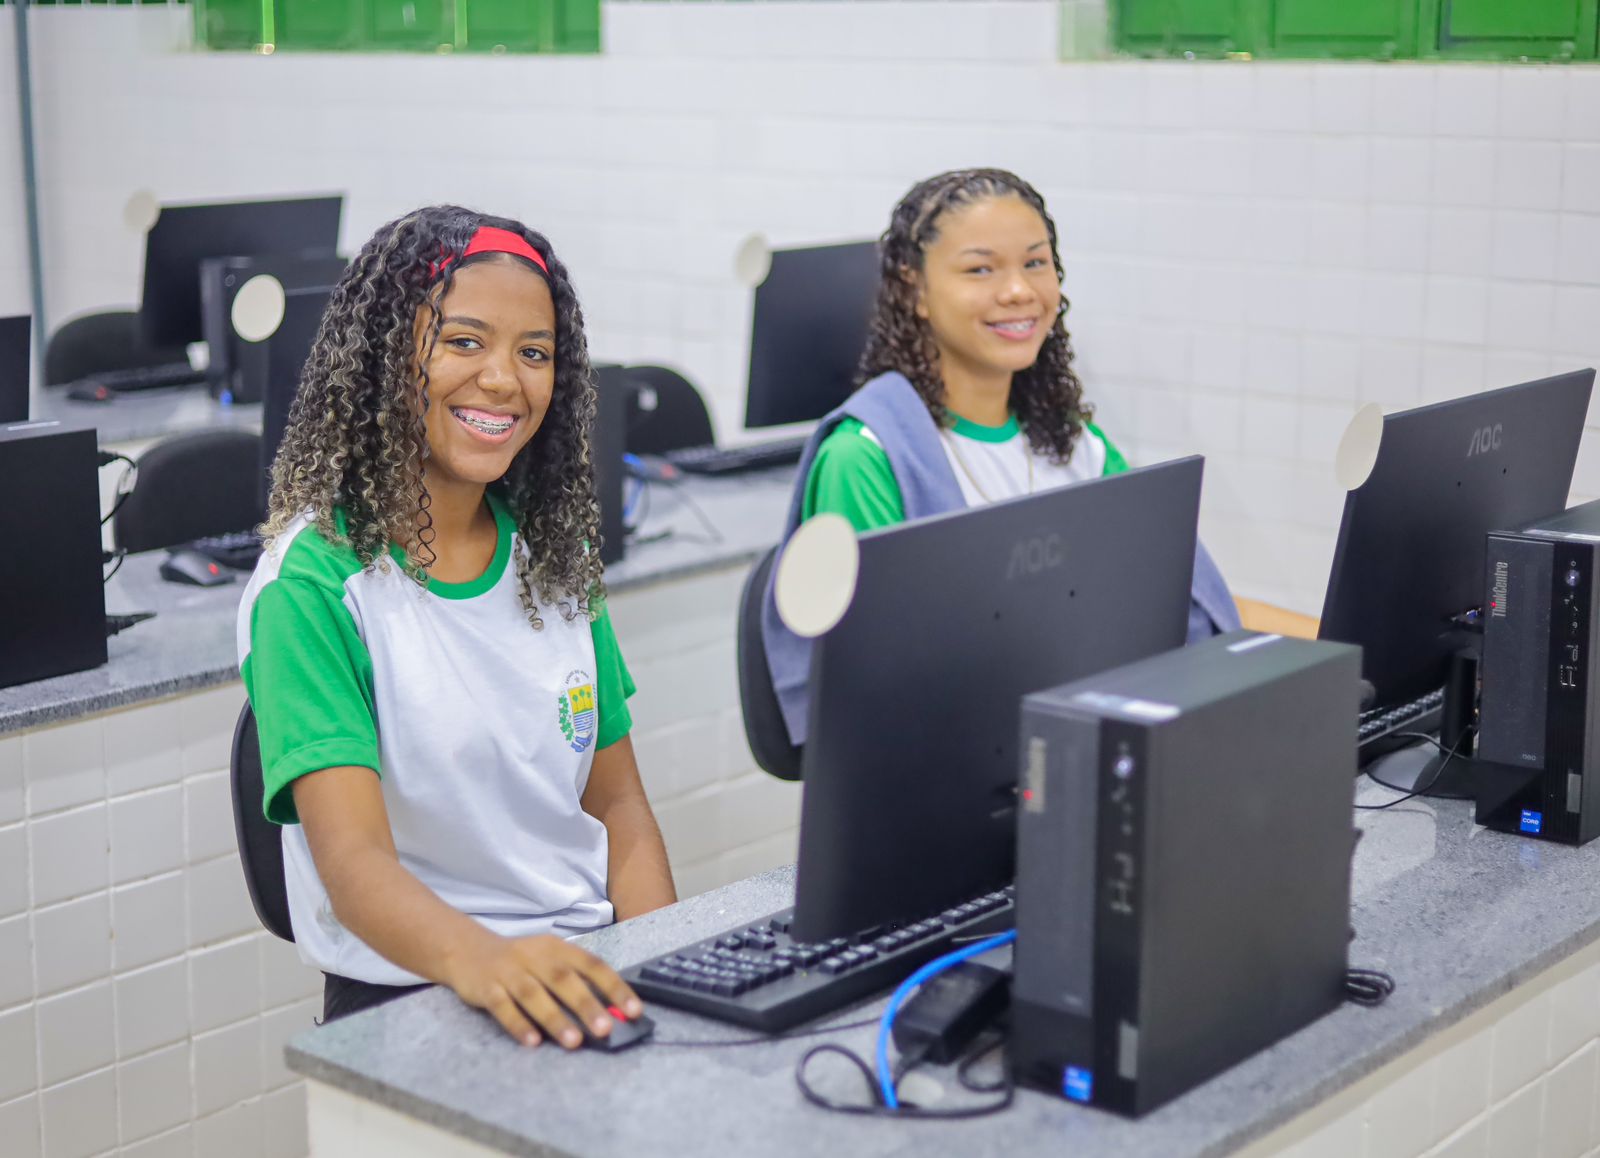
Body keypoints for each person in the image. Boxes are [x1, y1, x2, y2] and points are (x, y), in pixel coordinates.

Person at [239, 206, 676, 1047]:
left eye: (535, 353)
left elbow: (619, 806)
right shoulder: (314, 585)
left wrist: (665, 968)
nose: (504, 379)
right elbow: (355, 867)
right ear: (385, 358)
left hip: (585, 969)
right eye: (464, 341)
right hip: (418, 991)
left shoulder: (555, 554)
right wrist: (495, 963)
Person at [763, 169, 1315, 745]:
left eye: (1035, 263)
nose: (1019, 291)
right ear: (915, 289)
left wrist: (1342, 642)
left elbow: (1183, 600)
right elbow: (880, 687)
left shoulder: (1077, 444)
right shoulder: (865, 458)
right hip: (958, 770)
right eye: (981, 269)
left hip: (1081, 745)